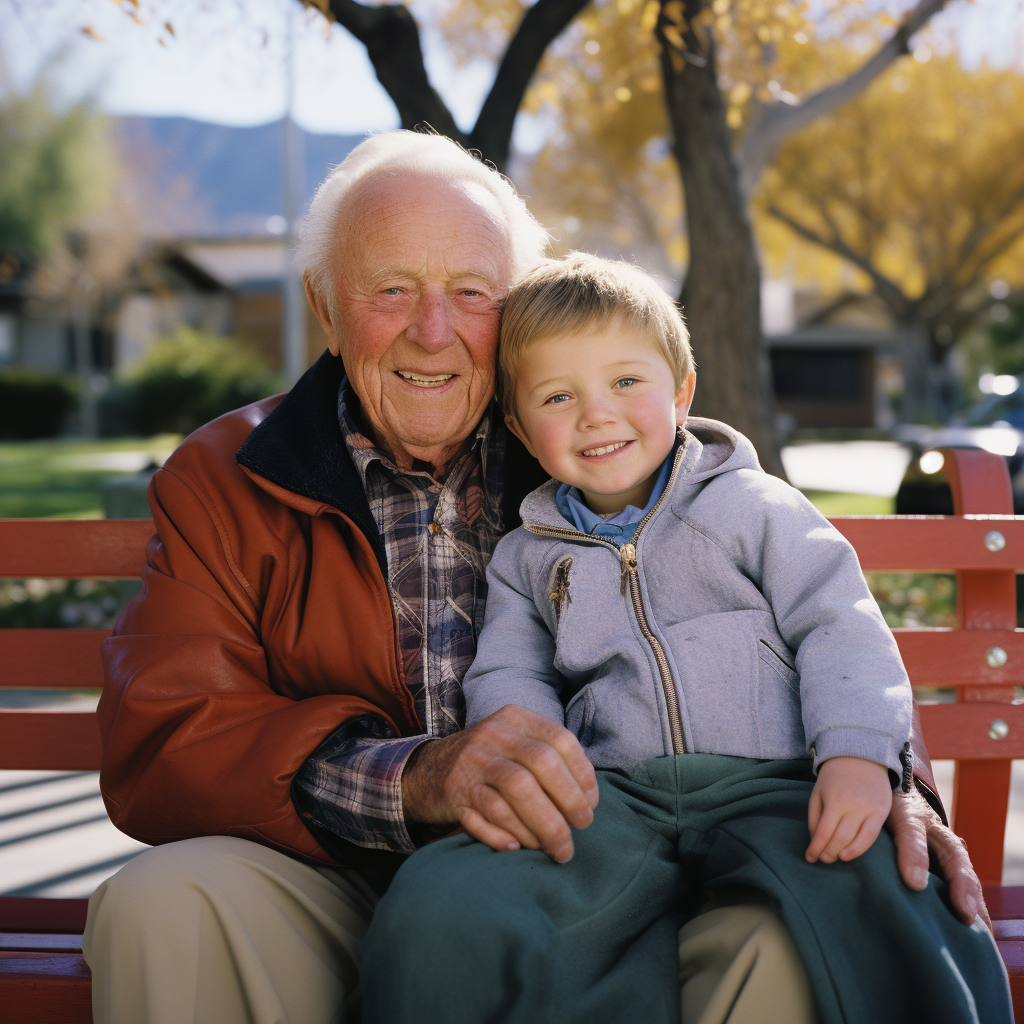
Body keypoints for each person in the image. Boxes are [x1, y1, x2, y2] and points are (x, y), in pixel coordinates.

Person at [82, 131, 988, 1024]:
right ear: (325, 302)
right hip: (337, 875)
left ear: (518, 308)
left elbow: (826, 621)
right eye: (390, 289)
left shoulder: (604, 445)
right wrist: (411, 781)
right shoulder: (226, 477)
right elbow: (169, 736)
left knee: (798, 941)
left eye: (472, 293)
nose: (432, 332)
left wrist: (890, 776)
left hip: (611, 866)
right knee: (165, 905)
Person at [358, 253, 1011, 1024]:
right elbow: (511, 673)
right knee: (446, 900)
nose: (597, 414)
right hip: (614, 801)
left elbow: (839, 626)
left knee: (876, 884)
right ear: (520, 429)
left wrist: (858, 755)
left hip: (774, 784)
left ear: (682, 390)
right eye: (558, 396)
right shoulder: (527, 554)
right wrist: (533, 757)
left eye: (627, 383)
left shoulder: (756, 508)